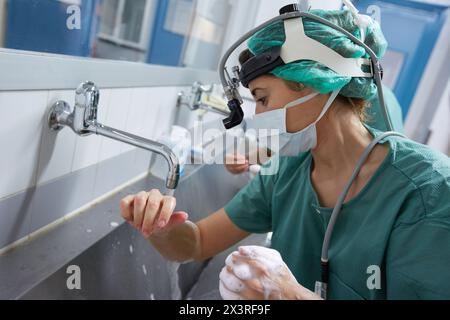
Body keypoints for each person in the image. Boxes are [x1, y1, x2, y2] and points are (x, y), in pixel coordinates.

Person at [119, 8, 450, 299]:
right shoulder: (286, 170)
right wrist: (160, 227)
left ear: (313, 81)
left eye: (262, 99)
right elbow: (196, 243)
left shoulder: (429, 193)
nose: (259, 117)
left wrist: (289, 295)